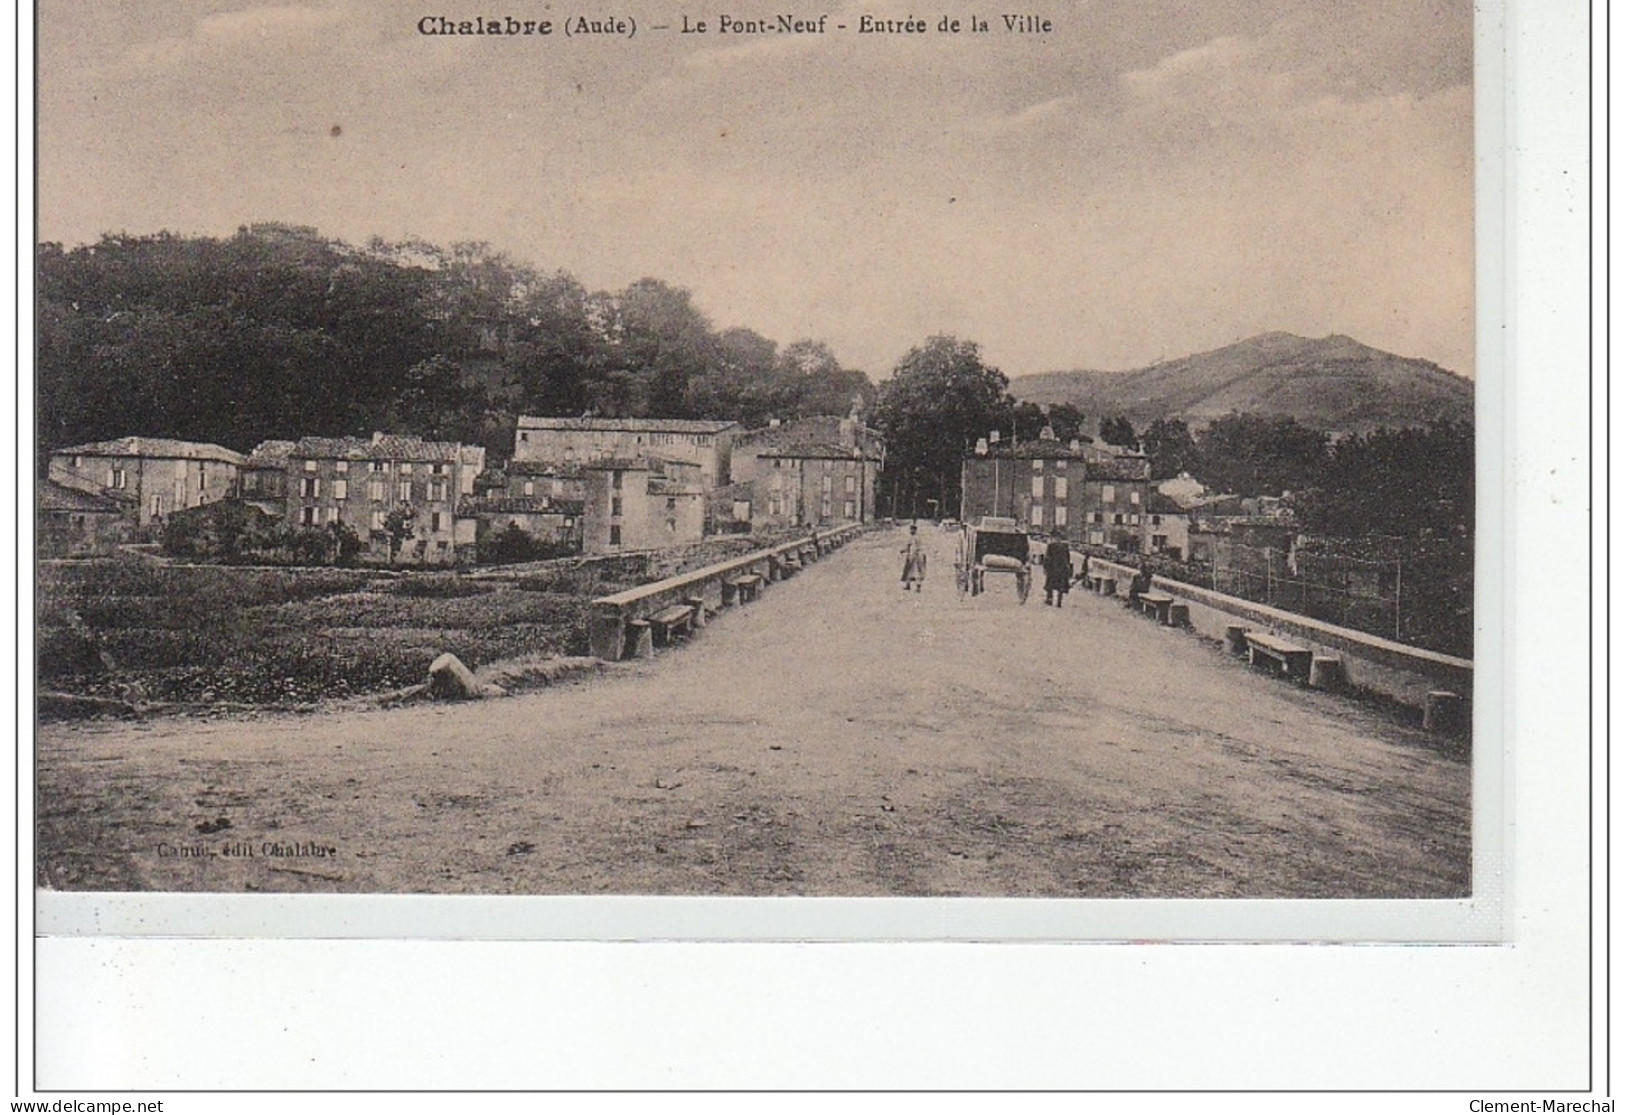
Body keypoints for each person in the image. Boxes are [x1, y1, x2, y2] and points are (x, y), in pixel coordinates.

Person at [1042, 538, 1074, 607]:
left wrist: (1045, 567)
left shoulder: (1050, 545)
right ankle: (1059, 602)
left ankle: (1049, 599)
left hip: (1052, 567)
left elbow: (1047, 557)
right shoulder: (1065, 546)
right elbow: (1068, 558)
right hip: (1062, 568)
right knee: (1061, 585)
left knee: (1050, 584)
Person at [900, 523, 927, 592]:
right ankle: (908, 585)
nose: (910, 531)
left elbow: (915, 548)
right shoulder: (913, 538)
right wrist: (904, 551)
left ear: (915, 530)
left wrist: (911, 556)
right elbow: (908, 547)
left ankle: (918, 587)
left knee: (915, 572)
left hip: (915, 557)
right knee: (909, 571)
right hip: (914, 556)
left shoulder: (915, 538)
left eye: (912, 530)